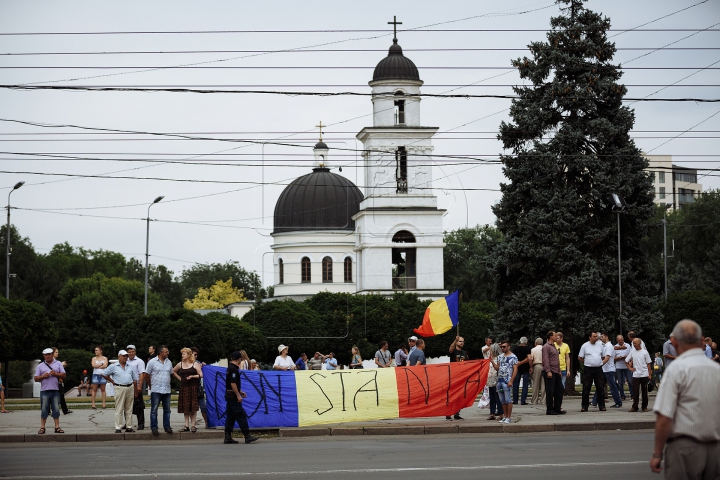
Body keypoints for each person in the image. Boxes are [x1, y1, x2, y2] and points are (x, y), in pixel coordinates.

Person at [650, 319, 720, 477]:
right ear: (701, 341)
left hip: (685, 448)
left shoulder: (676, 369)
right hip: (714, 448)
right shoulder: (716, 370)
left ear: (674, 342)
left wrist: (657, 453)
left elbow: (664, 417)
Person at [224, 351, 259, 445]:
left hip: (229, 394)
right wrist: (238, 395)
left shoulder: (230, 368)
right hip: (233, 396)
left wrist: (240, 391)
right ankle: (247, 436)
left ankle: (227, 437)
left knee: (230, 417)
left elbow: (231, 384)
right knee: (241, 415)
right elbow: (233, 383)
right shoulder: (233, 369)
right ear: (239, 359)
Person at [102, 350, 139, 433]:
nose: (125, 357)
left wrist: (135, 392)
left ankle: (129, 426)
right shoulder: (114, 366)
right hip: (120, 387)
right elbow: (104, 374)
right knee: (119, 408)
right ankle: (118, 427)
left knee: (129, 409)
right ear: (119, 356)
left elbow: (135, 379)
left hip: (130, 387)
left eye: (126, 356)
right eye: (124, 356)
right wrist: (112, 381)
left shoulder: (130, 366)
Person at [34, 348, 66, 434]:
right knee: (44, 409)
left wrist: (55, 374)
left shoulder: (58, 363)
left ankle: (57, 427)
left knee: (56, 408)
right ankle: (42, 427)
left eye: (49, 354)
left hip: (55, 390)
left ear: (52, 354)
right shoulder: (40, 365)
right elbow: (36, 378)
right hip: (44, 390)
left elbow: (63, 375)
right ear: (44, 356)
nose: (47, 356)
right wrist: (43, 376)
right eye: (46, 355)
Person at [145, 345, 173, 435]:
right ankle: (154, 427)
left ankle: (167, 427)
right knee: (154, 409)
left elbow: (171, 373)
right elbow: (147, 375)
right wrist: (150, 385)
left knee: (167, 410)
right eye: (166, 352)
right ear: (161, 353)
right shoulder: (152, 362)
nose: (167, 353)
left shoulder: (169, 362)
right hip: (156, 389)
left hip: (167, 390)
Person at [173, 348, 202, 433]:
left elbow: (201, 375)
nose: (182, 355)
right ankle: (186, 425)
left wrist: (192, 376)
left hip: (193, 387)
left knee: (193, 407)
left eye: (184, 354)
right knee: (185, 407)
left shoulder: (195, 364)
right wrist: (180, 378)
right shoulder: (180, 364)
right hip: (184, 387)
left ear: (189, 355)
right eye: (182, 354)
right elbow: (173, 371)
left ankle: (193, 425)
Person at [489, 339, 518, 424]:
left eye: (504, 346)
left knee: (508, 399)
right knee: (502, 400)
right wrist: (492, 362)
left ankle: (508, 417)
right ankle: (505, 416)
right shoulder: (500, 357)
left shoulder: (513, 357)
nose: (502, 348)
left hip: (507, 380)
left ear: (509, 347)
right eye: (501, 347)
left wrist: (511, 380)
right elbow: (497, 368)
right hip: (500, 380)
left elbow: (515, 369)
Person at [592, 333, 622, 408]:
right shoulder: (605, 346)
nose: (601, 338)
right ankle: (594, 401)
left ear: (606, 337)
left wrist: (600, 364)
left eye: (602, 337)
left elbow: (607, 358)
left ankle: (618, 402)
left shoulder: (609, 346)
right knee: (600, 386)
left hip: (609, 370)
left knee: (612, 386)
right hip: (605, 369)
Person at [579, 332, 606, 412]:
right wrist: (588, 362)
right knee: (586, 387)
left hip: (598, 369)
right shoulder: (585, 345)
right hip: (588, 369)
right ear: (589, 337)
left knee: (600, 387)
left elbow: (603, 356)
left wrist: (597, 362)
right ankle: (584, 406)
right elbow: (580, 357)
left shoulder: (600, 345)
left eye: (596, 336)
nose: (596, 338)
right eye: (594, 336)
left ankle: (602, 406)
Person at [626, 338, 652, 412]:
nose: (634, 345)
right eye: (633, 343)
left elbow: (648, 363)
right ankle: (635, 406)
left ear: (639, 343)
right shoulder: (632, 352)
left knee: (644, 392)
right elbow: (626, 361)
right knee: (635, 391)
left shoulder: (644, 352)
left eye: (635, 343)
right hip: (636, 374)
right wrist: (630, 368)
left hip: (644, 374)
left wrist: (649, 374)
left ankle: (644, 406)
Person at [542, 331, 565, 416]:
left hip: (556, 371)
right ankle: (550, 409)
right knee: (550, 391)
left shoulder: (554, 346)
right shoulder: (546, 347)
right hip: (550, 371)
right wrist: (548, 371)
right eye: (555, 336)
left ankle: (557, 408)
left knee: (560, 389)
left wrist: (559, 371)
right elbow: (545, 359)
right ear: (551, 337)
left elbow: (556, 360)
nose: (556, 337)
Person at [447, 336, 468, 420]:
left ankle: (456, 413)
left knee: (459, 396)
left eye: (463, 341)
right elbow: (450, 349)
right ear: (456, 342)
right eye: (460, 341)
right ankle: (448, 413)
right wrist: (454, 340)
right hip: (453, 376)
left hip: (461, 377)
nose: (461, 343)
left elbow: (467, 363)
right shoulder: (454, 351)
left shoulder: (464, 353)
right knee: (451, 395)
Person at [125, 345, 146, 430]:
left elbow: (142, 374)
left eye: (132, 351)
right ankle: (127, 423)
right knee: (126, 405)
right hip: (127, 386)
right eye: (129, 352)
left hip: (136, 386)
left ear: (135, 352)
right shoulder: (125, 361)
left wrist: (139, 386)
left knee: (138, 405)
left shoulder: (139, 361)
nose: (131, 353)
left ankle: (141, 423)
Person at [190, 347, 209, 429]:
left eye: (196, 355)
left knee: (203, 406)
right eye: (194, 354)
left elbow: (202, 374)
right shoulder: (185, 363)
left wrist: (204, 366)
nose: (195, 356)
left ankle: (207, 423)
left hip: (198, 387)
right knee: (192, 407)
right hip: (190, 387)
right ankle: (192, 424)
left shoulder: (198, 363)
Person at [52, 348, 72, 415]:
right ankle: (62, 410)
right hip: (54, 382)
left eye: (57, 352)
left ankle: (65, 410)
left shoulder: (57, 362)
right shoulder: (53, 363)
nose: (57, 353)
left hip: (58, 381)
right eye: (56, 352)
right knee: (55, 396)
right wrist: (61, 364)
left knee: (61, 395)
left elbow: (61, 372)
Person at [511, 337, 532, 405]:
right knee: (525, 384)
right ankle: (523, 400)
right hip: (525, 368)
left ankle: (515, 400)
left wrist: (518, 363)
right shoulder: (528, 348)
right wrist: (531, 366)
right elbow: (529, 358)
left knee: (515, 384)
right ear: (526, 342)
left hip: (517, 368)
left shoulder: (515, 349)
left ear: (520, 341)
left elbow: (512, 358)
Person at [485, 343, 503, 421]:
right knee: (492, 398)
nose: (490, 351)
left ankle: (501, 413)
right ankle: (492, 413)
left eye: (491, 350)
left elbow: (497, 368)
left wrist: (492, 362)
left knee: (497, 397)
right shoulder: (490, 358)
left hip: (496, 380)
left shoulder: (499, 358)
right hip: (490, 380)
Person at [614, 335, 633, 402]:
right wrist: (618, 358)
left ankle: (632, 395)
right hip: (619, 366)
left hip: (626, 366)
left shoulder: (627, 345)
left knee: (630, 381)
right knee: (620, 382)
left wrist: (626, 357)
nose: (620, 341)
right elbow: (613, 357)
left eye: (621, 340)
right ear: (617, 340)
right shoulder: (615, 347)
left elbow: (631, 354)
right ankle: (622, 395)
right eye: (619, 340)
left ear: (623, 339)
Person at [90, 345, 108, 409]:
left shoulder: (105, 358)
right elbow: (93, 365)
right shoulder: (93, 358)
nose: (95, 351)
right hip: (95, 375)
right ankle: (93, 404)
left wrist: (97, 365)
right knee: (94, 389)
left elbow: (105, 365)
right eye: (95, 350)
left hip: (103, 375)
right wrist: (101, 364)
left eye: (97, 350)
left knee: (103, 389)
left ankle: (103, 404)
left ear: (100, 351)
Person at [530, 337, 545, 405]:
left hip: (537, 365)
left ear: (536, 343)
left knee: (536, 383)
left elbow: (531, 359)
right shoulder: (545, 348)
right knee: (543, 384)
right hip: (544, 366)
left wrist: (531, 367)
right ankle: (543, 400)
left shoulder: (533, 349)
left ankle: (534, 400)